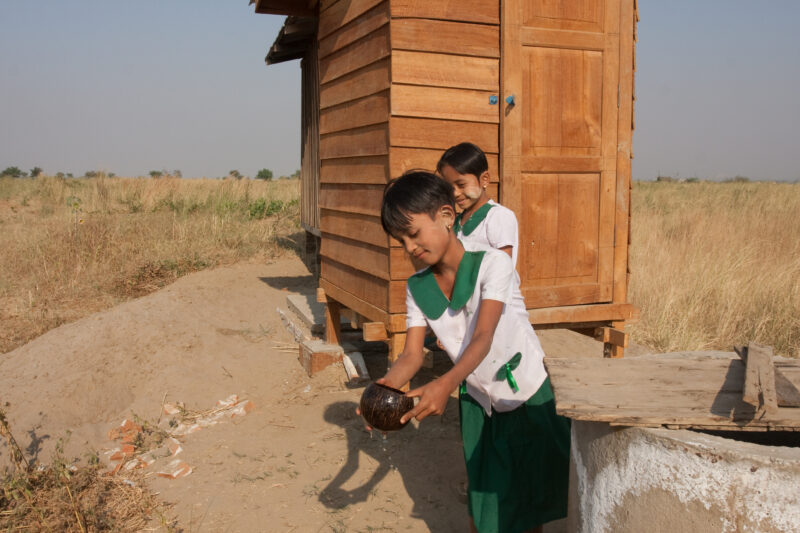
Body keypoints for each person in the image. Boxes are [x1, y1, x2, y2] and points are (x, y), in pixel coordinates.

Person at [373, 171, 570, 533]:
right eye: (400, 240)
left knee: (527, 511)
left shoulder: (493, 265)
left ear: (447, 216)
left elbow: (483, 337)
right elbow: (412, 356)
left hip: (528, 395)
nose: (409, 248)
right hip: (480, 403)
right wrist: (383, 392)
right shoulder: (417, 288)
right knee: (483, 507)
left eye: (413, 233)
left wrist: (445, 384)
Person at [437, 142, 520, 268]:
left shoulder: (498, 216)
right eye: (449, 187)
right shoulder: (456, 221)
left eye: (461, 185)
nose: (455, 193)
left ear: (484, 179)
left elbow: (503, 268)